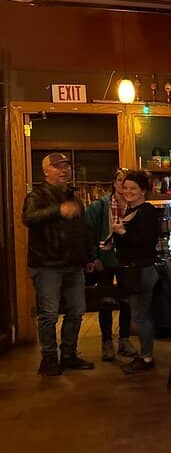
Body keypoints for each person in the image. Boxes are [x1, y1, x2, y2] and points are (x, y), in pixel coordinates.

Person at [22, 152, 95, 375]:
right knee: (49, 314)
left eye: (66, 166)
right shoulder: (37, 195)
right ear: (46, 171)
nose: (64, 170)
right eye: (57, 166)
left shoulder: (73, 197)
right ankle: (49, 359)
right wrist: (58, 210)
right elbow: (28, 218)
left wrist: (89, 257)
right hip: (47, 265)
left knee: (77, 311)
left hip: (74, 264)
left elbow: (82, 230)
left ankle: (69, 354)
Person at [111, 170, 162, 374]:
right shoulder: (130, 211)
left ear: (143, 191)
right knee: (139, 314)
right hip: (132, 271)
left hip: (142, 271)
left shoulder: (147, 212)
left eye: (133, 188)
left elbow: (146, 243)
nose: (128, 191)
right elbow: (128, 243)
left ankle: (146, 357)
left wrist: (122, 233)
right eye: (126, 187)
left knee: (141, 316)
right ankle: (145, 354)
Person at [84, 168, 137, 362]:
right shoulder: (99, 206)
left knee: (127, 301)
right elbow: (87, 234)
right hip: (104, 260)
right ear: (114, 183)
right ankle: (106, 342)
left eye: (128, 182)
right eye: (121, 181)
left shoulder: (135, 206)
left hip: (126, 261)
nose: (124, 186)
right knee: (105, 302)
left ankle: (124, 339)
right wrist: (92, 257)